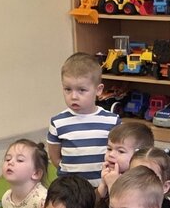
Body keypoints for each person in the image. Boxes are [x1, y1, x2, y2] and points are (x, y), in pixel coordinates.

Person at [46, 52, 118, 186]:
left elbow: (119, 154)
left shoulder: (112, 121)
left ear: (98, 90)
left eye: (82, 90)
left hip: (103, 186)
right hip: (71, 189)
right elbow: (55, 158)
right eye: (68, 89)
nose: (74, 96)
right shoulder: (57, 122)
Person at [95, 120, 155, 208]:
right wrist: (102, 186)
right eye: (109, 149)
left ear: (138, 155)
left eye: (121, 151)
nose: (111, 154)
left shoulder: (141, 183)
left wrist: (113, 186)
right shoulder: (111, 175)